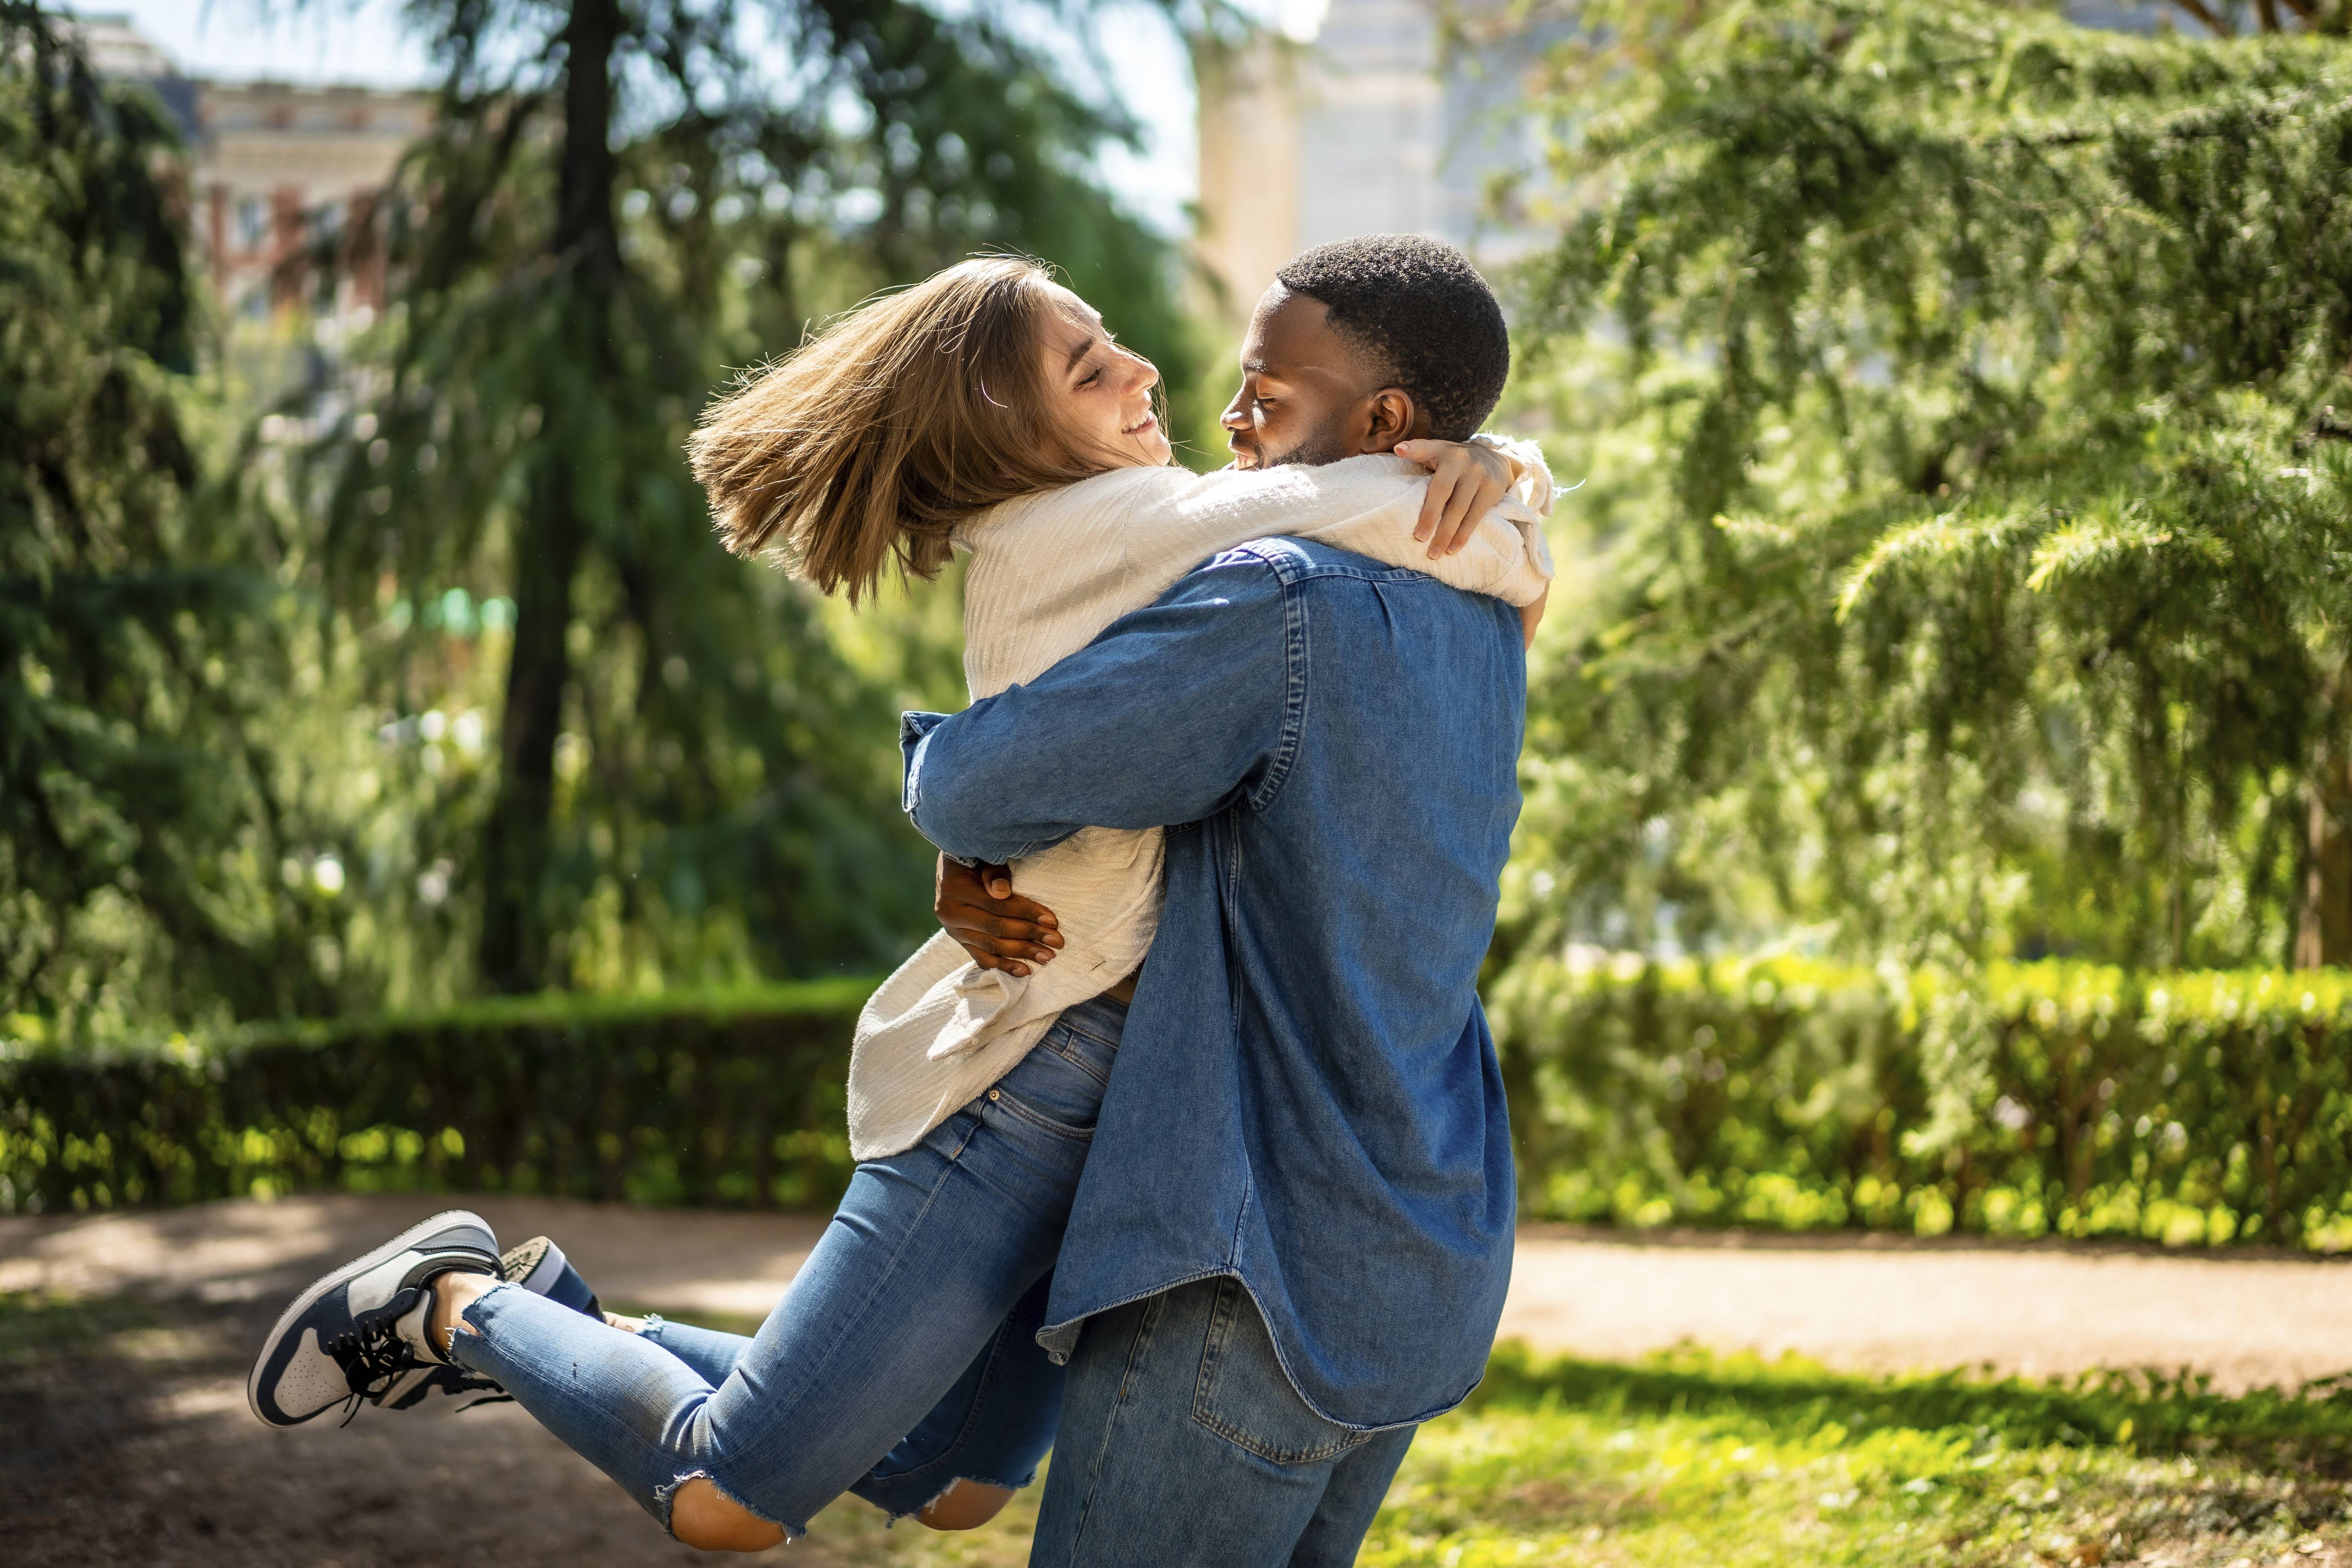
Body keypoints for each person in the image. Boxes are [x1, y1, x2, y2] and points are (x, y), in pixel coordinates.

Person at [243, 240, 1552, 1553]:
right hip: (1066, 1072)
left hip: (1159, 1102)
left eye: (1266, 396)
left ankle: (568, 1322)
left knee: (957, 1481)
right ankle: (452, 1306)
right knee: (726, 1497)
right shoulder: (1248, 565)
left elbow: (1116, 719)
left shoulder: (1281, 564)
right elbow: (1010, 772)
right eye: (1092, 367)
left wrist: (1496, 468)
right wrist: (1497, 482)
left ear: (1382, 418)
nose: (1191, 392)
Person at [901, 233, 1535, 1566]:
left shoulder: (1273, 600)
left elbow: (978, 787)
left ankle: (472, 1316)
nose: (1231, 415)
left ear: (1383, 423)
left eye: (1273, 391)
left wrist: (955, 808)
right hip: (1426, 1246)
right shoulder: (1489, 603)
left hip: (1251, 1262)